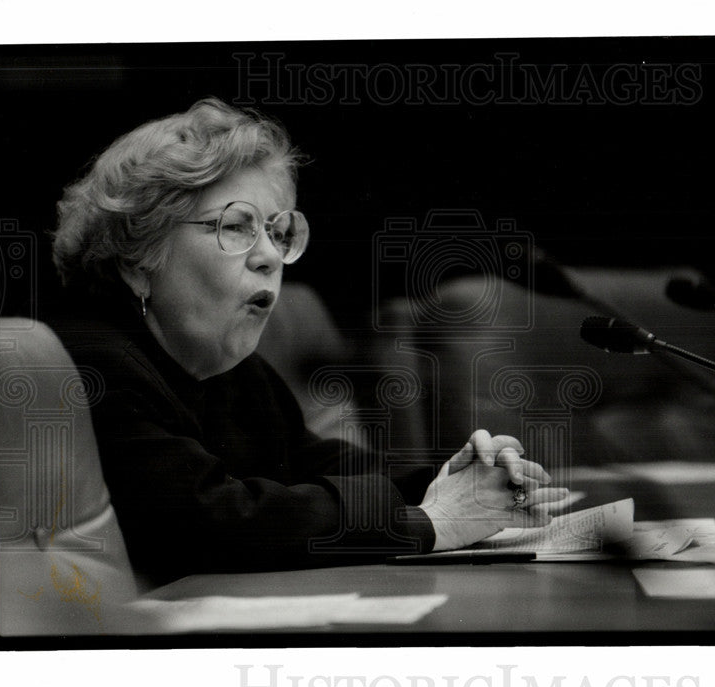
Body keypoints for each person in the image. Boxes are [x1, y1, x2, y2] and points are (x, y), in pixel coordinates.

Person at [50, 98, 568, 587]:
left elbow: (320, 465)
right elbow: (208, 522)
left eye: (278, 233)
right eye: (236, 227)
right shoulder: (89, 363)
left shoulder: (233, 371)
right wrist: (431, 522)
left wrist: (443, 484)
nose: (269, 258)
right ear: (138, 256)